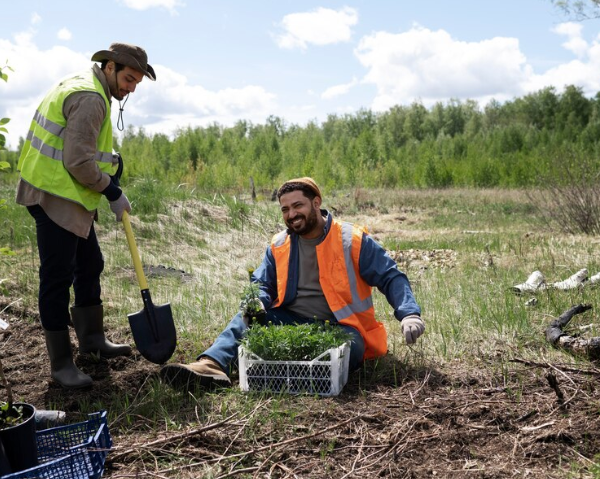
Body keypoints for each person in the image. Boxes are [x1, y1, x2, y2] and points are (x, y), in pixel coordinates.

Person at [160, 177, 425, 391]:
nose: (291, 214)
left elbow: (391, 276)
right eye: (285, 209)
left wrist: (409, 313)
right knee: (245, 318)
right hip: (290, 320)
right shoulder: (279, 245)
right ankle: (212, 365)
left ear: (316, 203)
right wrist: (257, 302)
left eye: (298, 206)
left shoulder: (351, 239)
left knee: (348, 351)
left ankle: (283, 374)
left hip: (343, 328)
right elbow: (261, 283)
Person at [15, 43, 156, 389]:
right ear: (109, 67)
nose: (131, 88)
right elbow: (77, 162)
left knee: (90, 263)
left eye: (136, 82)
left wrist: (111, 165)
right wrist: (111, 190)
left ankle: (91, 341)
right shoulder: (92, 98)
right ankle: (62, 364)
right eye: (128, 78)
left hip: (67, 192)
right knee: (57, 277)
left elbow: (81, 147)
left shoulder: (85, 86)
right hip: (55, 194)